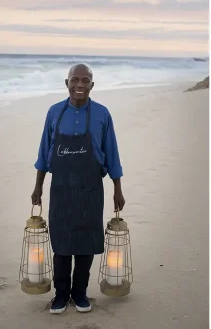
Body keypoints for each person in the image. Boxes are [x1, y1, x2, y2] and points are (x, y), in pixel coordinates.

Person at [31, 63, 125, 314]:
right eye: (75, 80)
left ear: (92, 85)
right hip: (60, 188)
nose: (79, 85)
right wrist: (38, 186)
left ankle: (80, 293)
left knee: (85, 242)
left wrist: (118, 188)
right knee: (61, 244)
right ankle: (61, 295)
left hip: (90, 189)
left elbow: (112, 153)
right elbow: (44, 152)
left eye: (85, 80)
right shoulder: (54, 113)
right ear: (67, 83)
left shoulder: (102, 114)